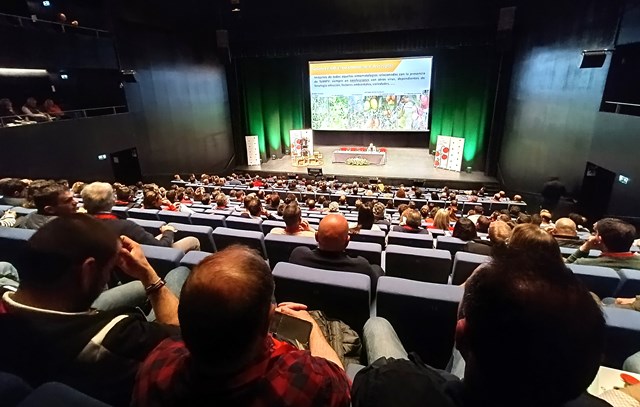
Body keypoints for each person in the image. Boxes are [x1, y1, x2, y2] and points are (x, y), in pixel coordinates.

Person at [352, 245, 605, 407]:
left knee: (377, 324)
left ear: (460, 334)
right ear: (589, 363)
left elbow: (357, 386)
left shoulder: (391, 387)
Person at [132, 246, 351, 407]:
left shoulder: (158, 364)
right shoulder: (300, 378)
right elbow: (342, 384)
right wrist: (310, 325)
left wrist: (149, 276)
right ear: (267, 321)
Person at [0, 215, 182, 406]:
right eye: (109, 268)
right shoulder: (121, 337)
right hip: (87, 342)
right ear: (88, 271)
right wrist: (148, 275)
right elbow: (180, 338)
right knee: (179, 273)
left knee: (137, 287)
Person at [81, 182, 200, 253]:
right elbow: (161, 247)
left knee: (158, 236)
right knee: (193, 240)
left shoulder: (79, 225)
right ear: (112, 200)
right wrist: (168, 232)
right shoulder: (125, 226)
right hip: (149, 264)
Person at [289, 214, 384, 291]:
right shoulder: (361, 267)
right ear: (347, 242)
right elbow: (378, 276)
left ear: (317, 237)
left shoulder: (298, 256)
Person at [567, 218, 640, 270]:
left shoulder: (582, 264)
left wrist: (584, 248)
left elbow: (564, 271)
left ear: (599, 239)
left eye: (595, 233)